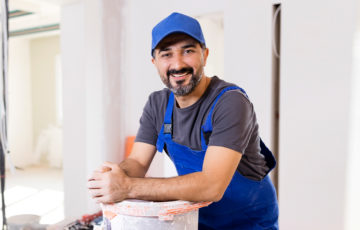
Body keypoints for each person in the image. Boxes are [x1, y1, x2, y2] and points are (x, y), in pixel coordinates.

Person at [88, 12, 279, 229]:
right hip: (196, 218)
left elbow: (211, 186)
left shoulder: (231, 102)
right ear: (155, 62)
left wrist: (128, 187)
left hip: (248, 223)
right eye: (166, 54)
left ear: (205, 55)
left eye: (188, 51)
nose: (177, 64)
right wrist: (116, 175)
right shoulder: (157, 104)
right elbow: (138, 162)